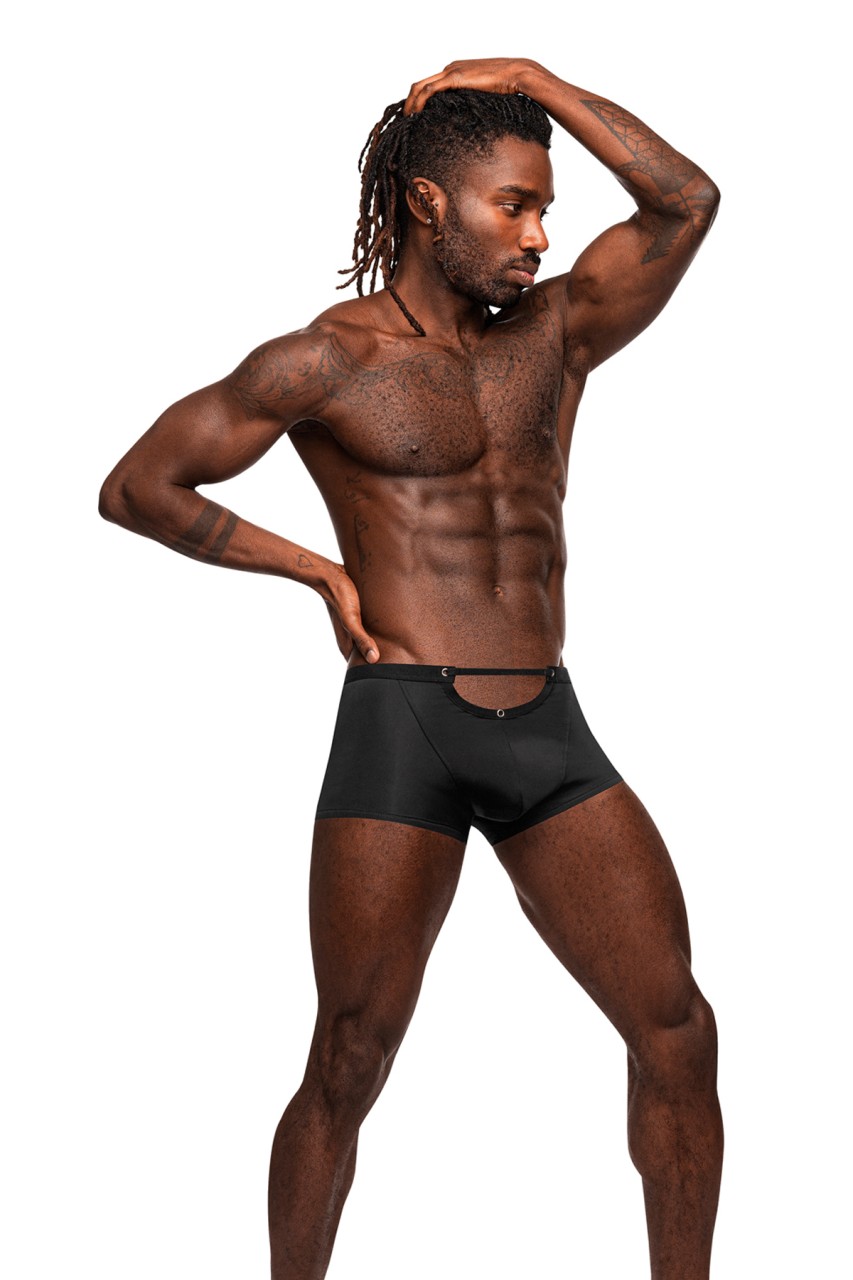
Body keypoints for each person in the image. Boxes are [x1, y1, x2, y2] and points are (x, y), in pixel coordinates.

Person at [99, 58, 723, 1280]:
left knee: (676, 1031)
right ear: (430, 203)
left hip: (545, 723)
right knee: (349, 1053)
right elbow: (140, 487)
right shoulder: (323, 361)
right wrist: (316, 573)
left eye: (545, 209)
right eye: (514, 207)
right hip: (404, 727)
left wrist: (533, 78)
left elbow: (685, 201)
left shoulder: (556, 334)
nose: (539, 237)